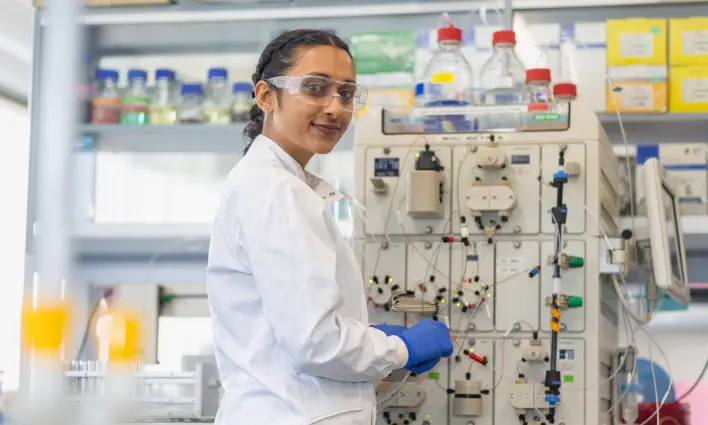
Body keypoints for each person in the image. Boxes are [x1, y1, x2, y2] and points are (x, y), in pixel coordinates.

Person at [206, 29, 453, 425]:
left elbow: (299, 328)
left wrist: (370, 337)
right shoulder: (276, 191)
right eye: (315, 88)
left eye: (346, 93)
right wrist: (399, 348)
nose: (335, 108)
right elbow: (315, 343)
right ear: (267, 96)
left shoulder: (281, 185)